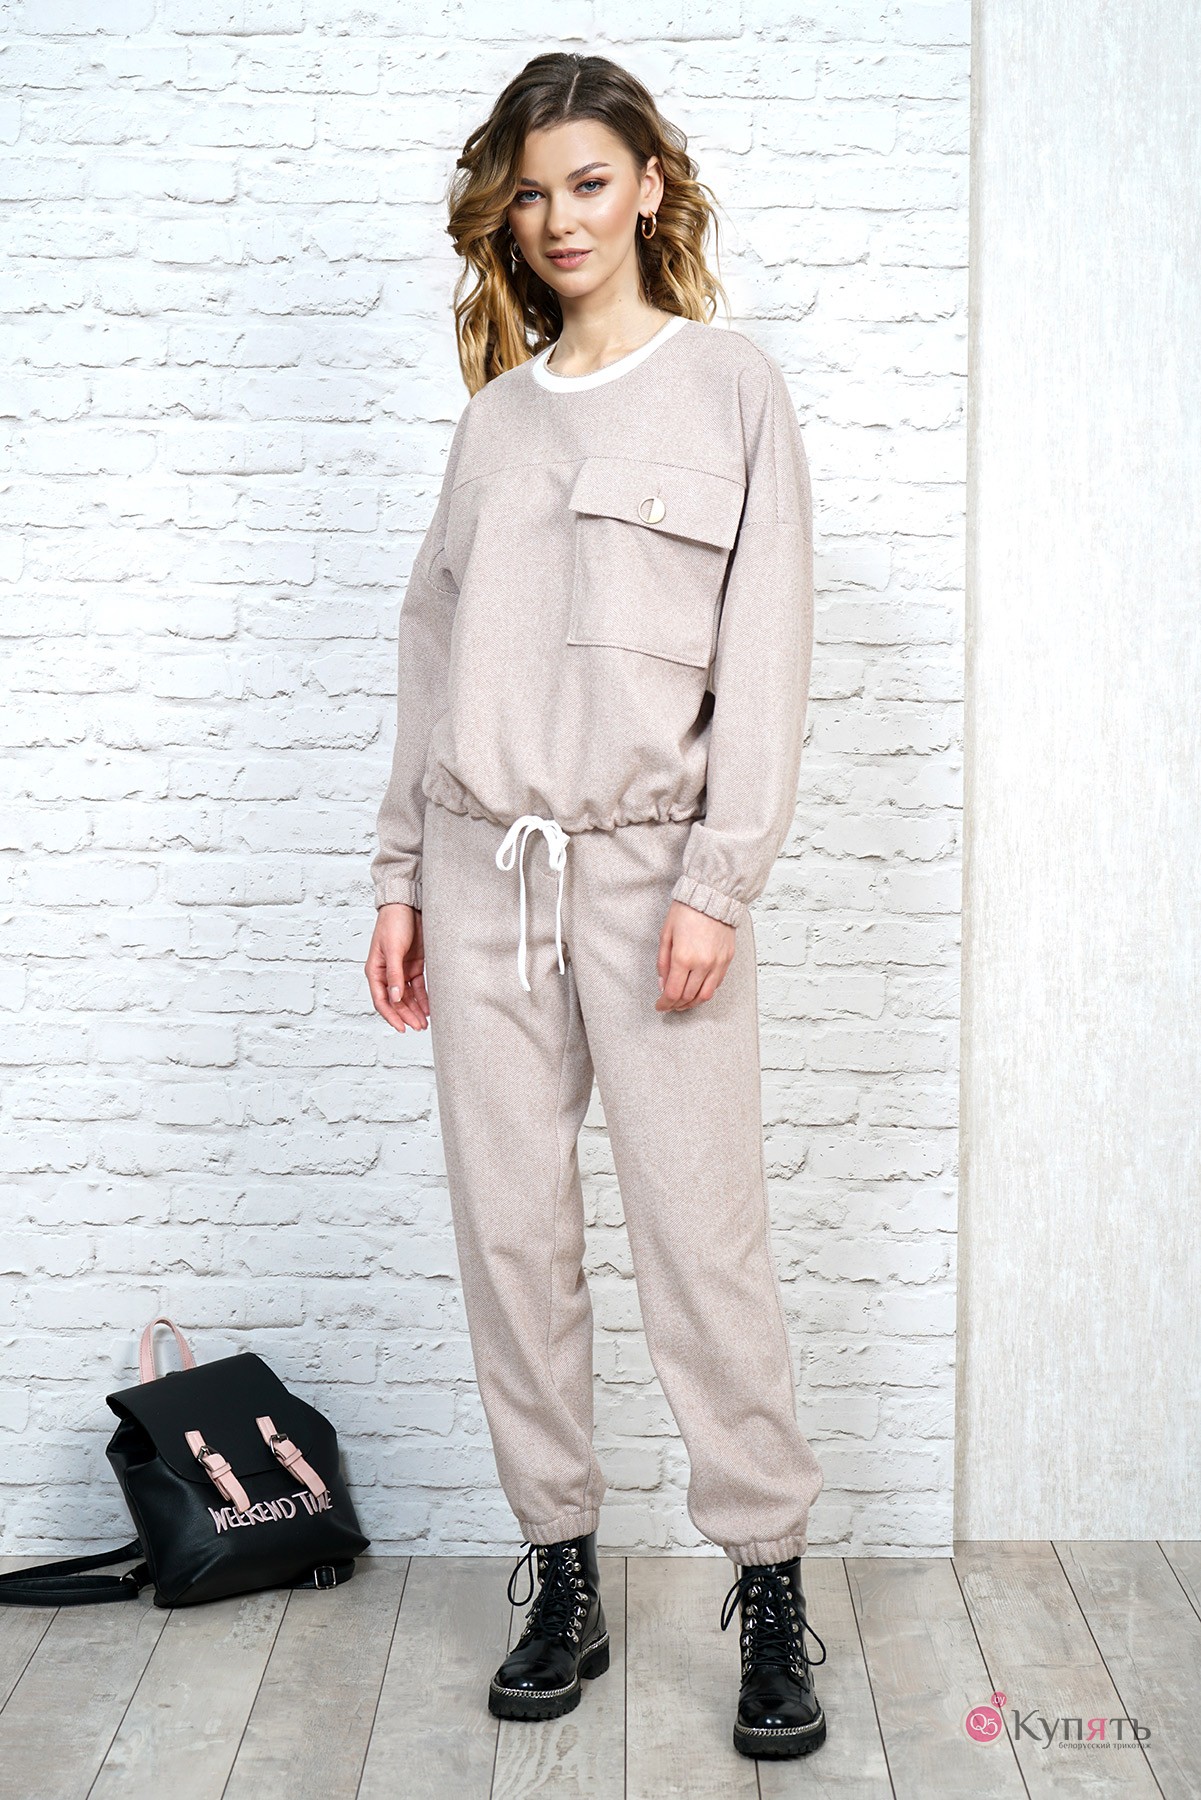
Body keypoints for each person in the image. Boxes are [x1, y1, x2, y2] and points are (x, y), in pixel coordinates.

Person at [364, 50, 828, 1762]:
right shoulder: (495, 420)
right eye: (530, 193)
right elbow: (430, 659)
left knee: (700, 1238)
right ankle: (559, 1568)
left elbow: (766, 651)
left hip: (651, 876)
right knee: (513, 1237)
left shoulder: (729, 388)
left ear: (647, 186)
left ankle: (766, 1581)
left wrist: (718, 878)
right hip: (482, 865)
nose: (559, 219)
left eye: (587, 181)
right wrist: (400, 876)